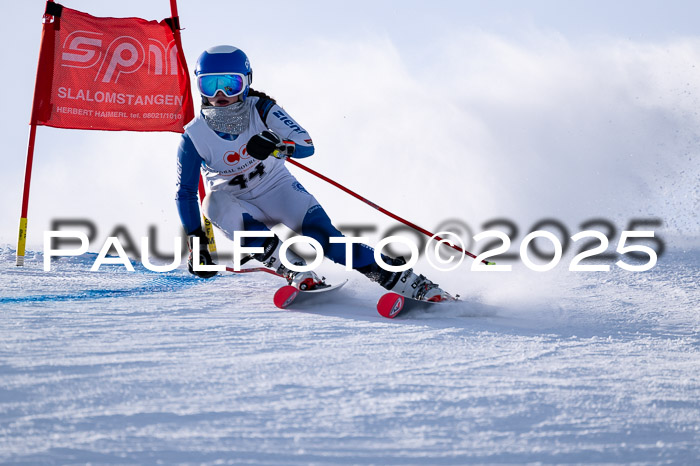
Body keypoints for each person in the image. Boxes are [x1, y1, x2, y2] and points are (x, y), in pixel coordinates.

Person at [176, 45, 452, 301]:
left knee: (326, 240)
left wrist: (279, 146)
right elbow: (185, 192)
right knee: (212, 202)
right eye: (210, 85)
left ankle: (410, 283)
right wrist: (196, 242)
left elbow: (306, 145)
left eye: (230, 83)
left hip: (277, 190)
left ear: (247, 82)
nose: (220, 95)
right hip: (237, 204)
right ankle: (295, 270)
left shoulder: (261, 109)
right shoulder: (194, 136)